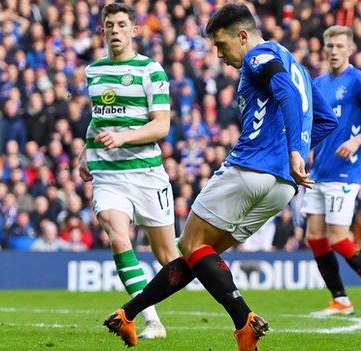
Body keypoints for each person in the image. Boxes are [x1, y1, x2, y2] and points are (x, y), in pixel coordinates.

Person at [103, 4, 338, 350]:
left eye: (221, 45)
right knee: (200, 255)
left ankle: (244, 320)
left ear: (242, 36)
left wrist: (293, 150)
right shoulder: (298, 66)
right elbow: (326, 121)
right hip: (281, 188)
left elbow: (285, 92)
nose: (220, 54)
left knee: (189, 244)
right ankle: (128, 315)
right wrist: (292, 152)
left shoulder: (259, 55)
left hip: (249, 169)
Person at [78, 3, 179, 340]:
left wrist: (122, 137)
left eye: (122, 24)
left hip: (147, 174)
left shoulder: (151, 70)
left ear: (134, 30)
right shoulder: (93, 71)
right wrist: (84, 150)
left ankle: (233, 305)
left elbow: (161, 126)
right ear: (103, 30)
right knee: (118, 236)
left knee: (170, 258)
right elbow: (99, 118)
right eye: (110, 25)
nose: (115, 30)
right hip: (108, 176)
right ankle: (149, 320)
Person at [300, 26, 361, 317]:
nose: (333, 51)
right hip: (320, 172)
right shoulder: (319, 83)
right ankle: (340, 299)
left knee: (339, 238)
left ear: (350, 49)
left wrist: (357, 140)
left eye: (339, 46)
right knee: (315, 238)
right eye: (329, 45)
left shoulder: (358, 81)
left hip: (344, 173)